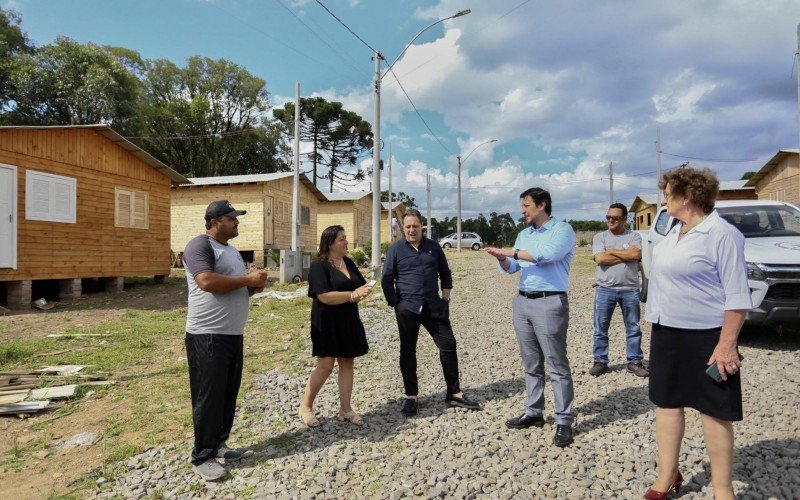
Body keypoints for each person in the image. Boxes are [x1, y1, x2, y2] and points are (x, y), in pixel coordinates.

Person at [643, 167, 751, 500]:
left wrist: (727, 345)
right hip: (666, 331)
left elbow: (737, 297)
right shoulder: (675, 230)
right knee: (667, 404)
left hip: (707, 336)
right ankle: (667, 476)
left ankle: (722, 488)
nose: (663, 198)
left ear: (687, 196)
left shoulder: (722, 234)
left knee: (714, 409)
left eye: (667, 193)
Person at [182, 200, 269, 481]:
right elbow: (206, 281)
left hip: (232, 334)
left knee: (228, 393)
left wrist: (254, 286)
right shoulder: (199, 246)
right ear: (216, 221)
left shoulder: (231, 251)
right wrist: (247, 280)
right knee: (208, 396)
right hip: (207, 335)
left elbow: (237, 289)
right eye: (232, 218)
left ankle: (218, 444)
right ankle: (202, 456)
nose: (237, 222)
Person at [485, 187, 576, 447]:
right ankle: (534, 412)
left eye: (526, 205)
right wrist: (502, 259)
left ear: (542, 204)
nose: (522, 210)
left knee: (556, 365)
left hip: (550, 302)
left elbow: (544, 256)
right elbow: (513, 267)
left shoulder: (562, 230)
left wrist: (509, 252)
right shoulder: (524, 234)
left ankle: (563, 420)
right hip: (523, 301)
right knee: (531, 363)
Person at [381, 209, 481, 416]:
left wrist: (445, 299)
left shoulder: (434, 248)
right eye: (407, 227)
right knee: (408, 351)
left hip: (433, 306)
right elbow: (387, 278)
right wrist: (395, 304)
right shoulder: (396, 249)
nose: (411, 230)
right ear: (403, 228)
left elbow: (445, 273)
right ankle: (411, 396)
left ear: (421, 227)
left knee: (448, 344)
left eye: (415, 226)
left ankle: (454, 392)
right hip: (407, 308)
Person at [299, 225, 372, 427]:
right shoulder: (319, 266)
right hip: (327, 321)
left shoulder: (348, 262)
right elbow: (323, 296)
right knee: (325, 366)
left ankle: (346, 409)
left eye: (345, 238)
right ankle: (305, 407)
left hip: (348, 319)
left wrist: (361, 293)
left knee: (347, 362)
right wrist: (352, 295)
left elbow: (359, 287)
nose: (346, 242)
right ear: (330, 243)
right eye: (342, 239)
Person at [590, 202, 648, 378]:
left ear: (624, 219)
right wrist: (624, 254)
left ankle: (634, 361)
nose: (610, 220)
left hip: (629, 289)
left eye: (615, 217)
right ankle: (600, 361)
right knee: (600, 328)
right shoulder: (599, 237)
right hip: (604, 289)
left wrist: (612, 252)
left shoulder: (634, 236)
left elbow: (636, 255)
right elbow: (600, 259)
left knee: (633, 328)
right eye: (608, 217)